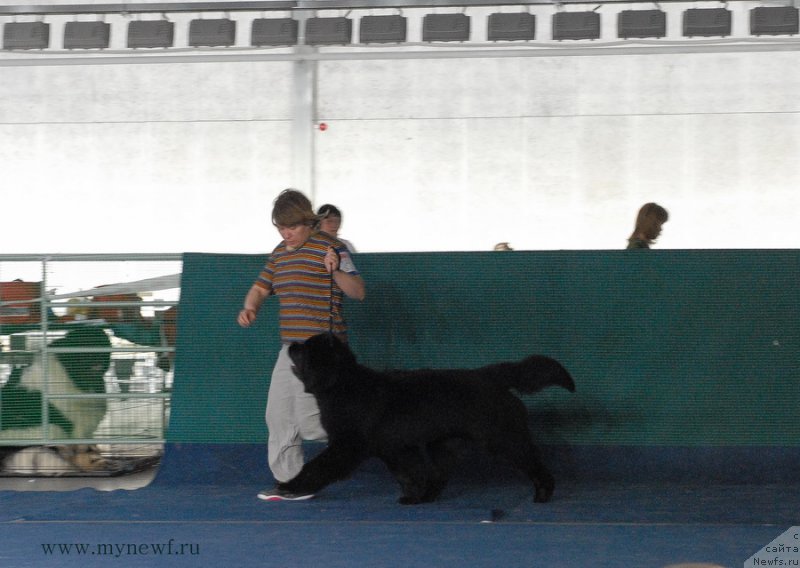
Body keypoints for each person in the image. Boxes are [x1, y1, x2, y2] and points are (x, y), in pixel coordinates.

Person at [237, 189, 366, 502]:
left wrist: (334, 269)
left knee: (311, 424)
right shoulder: (280, 253)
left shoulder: (333, 248)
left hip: (324, 351)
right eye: (280, 228)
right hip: (291, 350)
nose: (286, 233)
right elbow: (260, 286)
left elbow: (358, 292)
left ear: (308, 222)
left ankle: (366, 435)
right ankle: (291, 482)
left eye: (291, 227)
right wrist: (250, 306)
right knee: (277, 415)